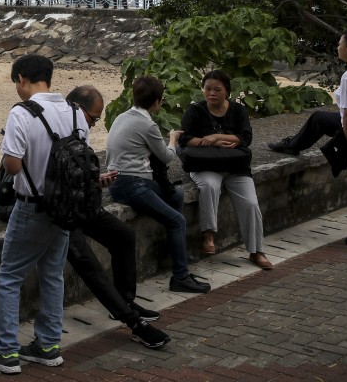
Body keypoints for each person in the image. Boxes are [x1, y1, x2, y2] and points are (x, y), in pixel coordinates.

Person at [0, 54, 86, 374]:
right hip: (65, 207)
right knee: (52, 274)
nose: (17, 88)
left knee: (10, 276)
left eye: (16, 82)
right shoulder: (75, 111)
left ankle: (8, 351)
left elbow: (12, 165)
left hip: (32, 207)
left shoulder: (22, 113)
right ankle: (49, 345)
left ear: (22, 79)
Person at [64, 86, 171, 349]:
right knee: (89, 265)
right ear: (78, 108)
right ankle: (134, 323)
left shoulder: (79, 130)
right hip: (61, 210)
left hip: (82, 203)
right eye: (94, 118)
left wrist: (95, 179)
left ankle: (125, 300)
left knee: (123, 235)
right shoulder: (57, 126)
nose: (95, 123)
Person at [107, 75, 211, 294]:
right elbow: (166, 157)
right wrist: (172, 138)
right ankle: (180, 277)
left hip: (118, 182)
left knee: (176, 195)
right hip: (133, 184)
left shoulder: (121, 117)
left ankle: (175, 251)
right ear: (157, 101)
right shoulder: (147, 124)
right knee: (177, 220)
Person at [180, 70, 272, 269]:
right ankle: (208, 234)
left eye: (217, 90)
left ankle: (256, 251)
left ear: (227, 92)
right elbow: (185, 139)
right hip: (206, 165)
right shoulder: (195, 111)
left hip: (235, 166)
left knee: (250, 203)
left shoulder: (238, 111)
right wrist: (213, 143)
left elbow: (245, 138)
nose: (211, 93)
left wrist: (214, 138)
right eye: (208, 89)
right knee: (210, 186)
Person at [269, 30, 347, 167]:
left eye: (340, 44)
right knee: (319, 118)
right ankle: (291, 145)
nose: (338, 48)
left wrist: (346, 143)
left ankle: (291, 145)